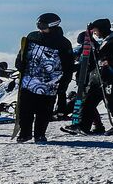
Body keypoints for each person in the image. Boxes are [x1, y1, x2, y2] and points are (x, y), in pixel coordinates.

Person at [14, 13, 75, 143]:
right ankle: (25, 133)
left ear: (53, 26)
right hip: (29, 80)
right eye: (38, 25)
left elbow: (68, 65)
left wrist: (63, 84)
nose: (40, 29)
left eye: (42, 26)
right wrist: (19, 62)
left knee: (44, 111)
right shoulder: (32, 37)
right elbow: (23, 52)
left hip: (49, 84)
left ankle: (39, 134)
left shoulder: (63, 43)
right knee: (25, 110)